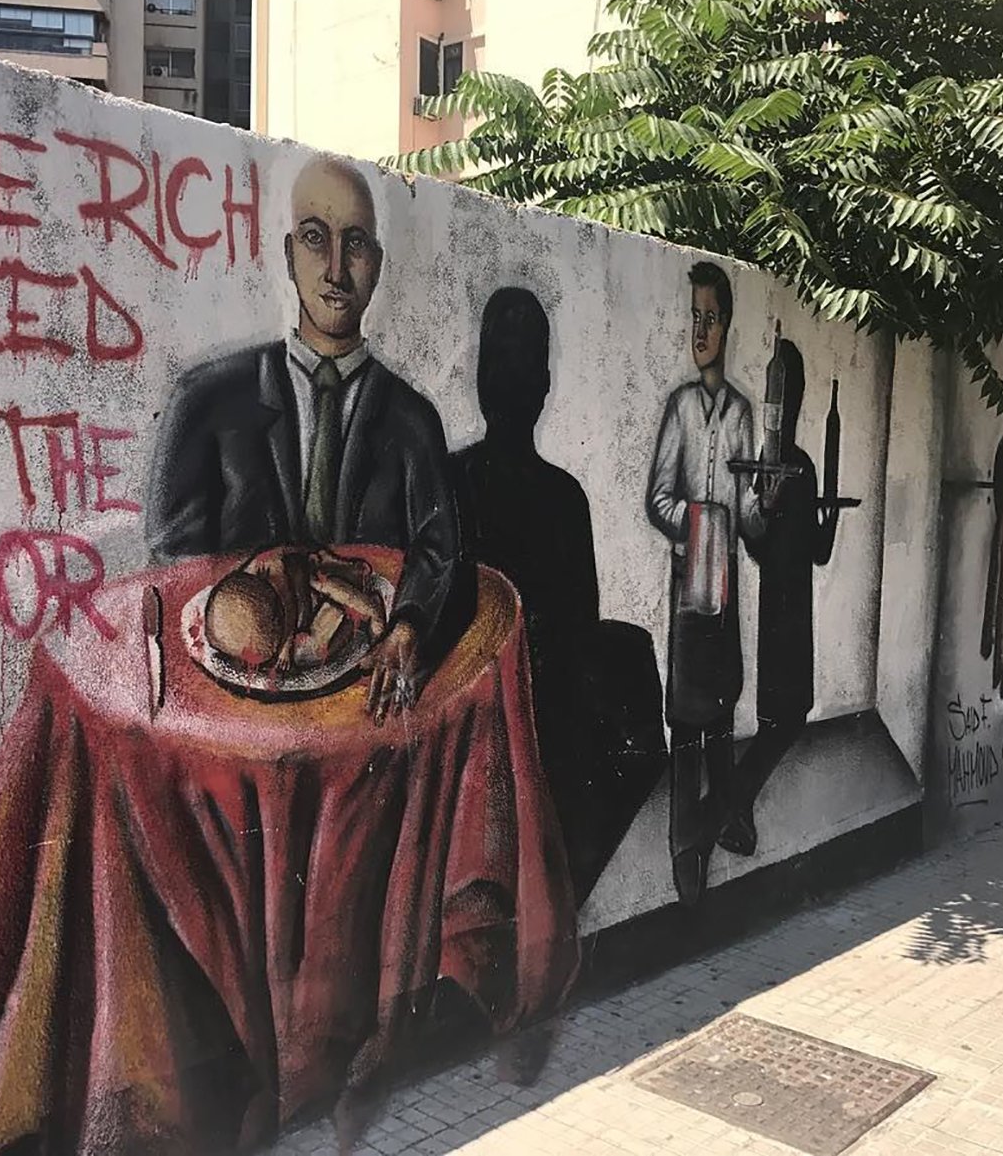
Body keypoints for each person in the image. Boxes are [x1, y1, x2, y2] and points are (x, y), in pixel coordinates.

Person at [147, 157, 467, 723]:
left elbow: (438, 547)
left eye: (357, 244)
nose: (337, 271)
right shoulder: (206, 401)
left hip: (359, 704)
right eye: (317, 240)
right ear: (290, 254)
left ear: (378, 265)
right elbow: (173, 562)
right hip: (235, 701)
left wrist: (408, 625)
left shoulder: (412, 418)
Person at [452, 288, 666, 903]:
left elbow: (580, 621)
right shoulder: (465, 482)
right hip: (488, 701)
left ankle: (555, 893)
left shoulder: (543, 493)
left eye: (520, 365)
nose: (517, 381)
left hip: (539, 702)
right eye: (510, 363)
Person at [646, 261, 771, 908]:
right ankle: (682, 846)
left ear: (727, 324)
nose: (700, 329)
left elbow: (749, 514)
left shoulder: (744, 414)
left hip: (724, 586)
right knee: (686, 722)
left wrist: (760, 505)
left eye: (710, 317)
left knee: (721, 708)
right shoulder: (680, 409)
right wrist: (701, 522)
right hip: (688, 585)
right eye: (693, 316)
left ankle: (722, 815)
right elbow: (658, 498)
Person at [726, 339, 838, 854]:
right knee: (784, 716)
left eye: (786, 398)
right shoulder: (769, 468)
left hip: (793, 608)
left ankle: (736, 805)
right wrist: (759, 510)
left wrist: (829, 514)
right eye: (777, 398)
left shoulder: (803, 467)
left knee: (788, 714)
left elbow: (818, 551)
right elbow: (756, 545)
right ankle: (735, 804)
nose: (780, 409)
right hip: (780, 609)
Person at [204, 547, 387, 674]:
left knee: (318, 650)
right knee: (306, 653)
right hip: (308, 608)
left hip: (315, 579)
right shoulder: (243, 585)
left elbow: (290, 607)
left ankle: (364, 607)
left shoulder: (274, 570)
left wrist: (285, 646)